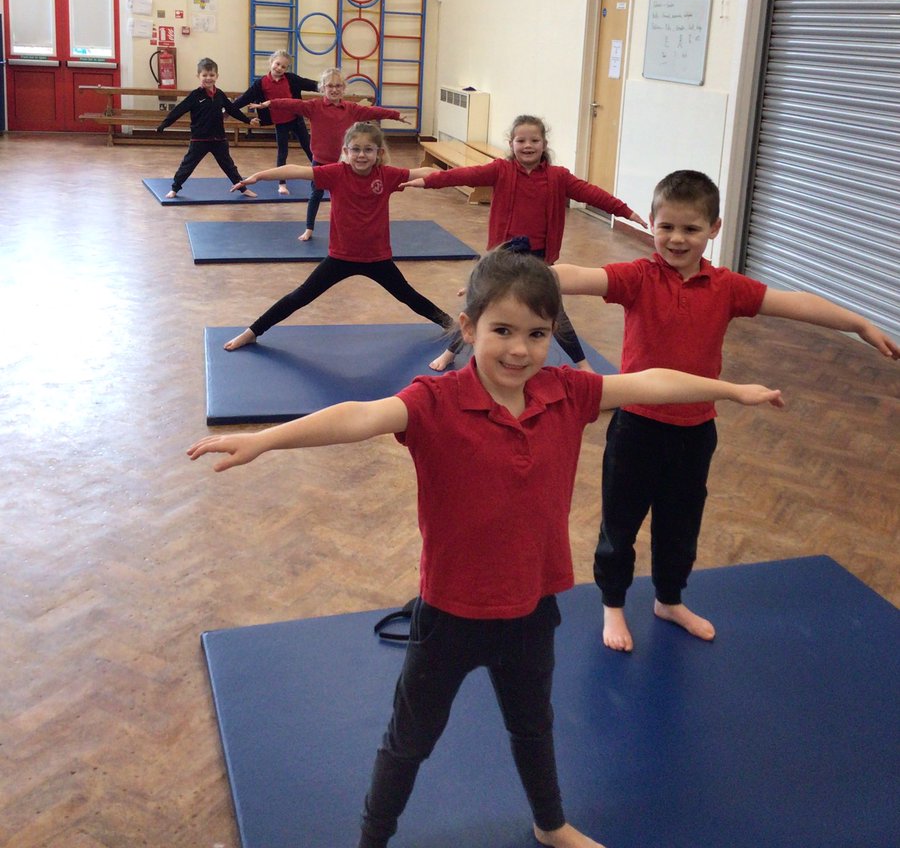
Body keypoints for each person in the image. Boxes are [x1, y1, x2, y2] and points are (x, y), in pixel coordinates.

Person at [189, 246, 784, 848]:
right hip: (450, 615)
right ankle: (372, 840)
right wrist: (265, 440)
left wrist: (730, 389)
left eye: (537, 333)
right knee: (409, 742)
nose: (519, 349)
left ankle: (551, 826)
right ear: (468, 327)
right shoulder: (434, 402)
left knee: (534, 729)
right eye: (501, 330)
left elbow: (651, 380)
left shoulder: (567, 394)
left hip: (530, 611)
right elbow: (358, 415)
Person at [553, 169, 900, 654]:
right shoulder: (638, 277)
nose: (676, 239)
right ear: (650, 222)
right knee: (621, 523)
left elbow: (796, 304)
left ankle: (669, 600)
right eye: (666, 226)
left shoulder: (727, 287)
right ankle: (613, 603)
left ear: (713, 229)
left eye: (690, 229)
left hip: (695, 431)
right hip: (636, 426)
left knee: (681, 525)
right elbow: (578, 276)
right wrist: (524, 278)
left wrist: (859, 323)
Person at [402, 114, 647, 372]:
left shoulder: (558, 177)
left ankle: (583, 364)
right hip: (504, 255)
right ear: (512, 143)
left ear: (544, 144)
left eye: (534, 140)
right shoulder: (501, 170)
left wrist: (626, 212)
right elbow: (464, 175)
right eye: (521, 140)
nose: (527, 145)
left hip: (538, 256)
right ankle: (451, 352)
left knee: (554, 310)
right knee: (479, 303)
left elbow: (593, 194)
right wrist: (428, 181)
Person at [222, 122, 452, 351]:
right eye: (356, 149)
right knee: (300, 296)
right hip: (340, 258)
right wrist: (259, 177)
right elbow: (296, 169)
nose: (361, 155)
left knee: (409, 296)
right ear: (345, 151)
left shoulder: (387, 175)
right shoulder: (335, 173)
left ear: (379, 153)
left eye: (368, 149)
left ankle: (452, 326)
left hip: (377, 259)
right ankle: (252, 332)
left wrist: (457, 176)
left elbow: (421, 172)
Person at [251, 67, 408, 239]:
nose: (334, 90)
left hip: (344, 164)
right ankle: (309, 229)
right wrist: (271, 103)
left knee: (346, 198)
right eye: (330, 86)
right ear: (322, 88)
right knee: (316, 195)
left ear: (343, 88)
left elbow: (374, 111)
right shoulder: (314, 106)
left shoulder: (351, 109)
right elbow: (292, 103)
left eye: (338, 86)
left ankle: (350, 228)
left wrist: (395, 115)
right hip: (320, 161)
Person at [156, 57, 258, 199]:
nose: (208, 78)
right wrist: (164, 124)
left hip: (219, 139)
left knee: (229, 166)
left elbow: (233, 110)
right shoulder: (195, 96)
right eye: (204, 75)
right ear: (198, 76)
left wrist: (247, 120)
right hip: (200, 139)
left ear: (217, 76)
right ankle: (174, 189)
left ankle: (243, 189)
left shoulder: (220, 95)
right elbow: (178, 110)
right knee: (187, 165)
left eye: (211, 75)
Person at [232, 51, 319, 193]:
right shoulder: (261, 83)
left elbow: (309, 84)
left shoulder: (291, 79)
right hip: (281, 123)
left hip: (296, 119)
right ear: (271, 62)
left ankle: (320, 176)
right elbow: (245, 98)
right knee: (282, 153)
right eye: (277, 64)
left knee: (309, 148)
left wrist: (328, 85)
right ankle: (282, 184)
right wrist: (228, 111)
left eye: (284, 67)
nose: (279, 68)